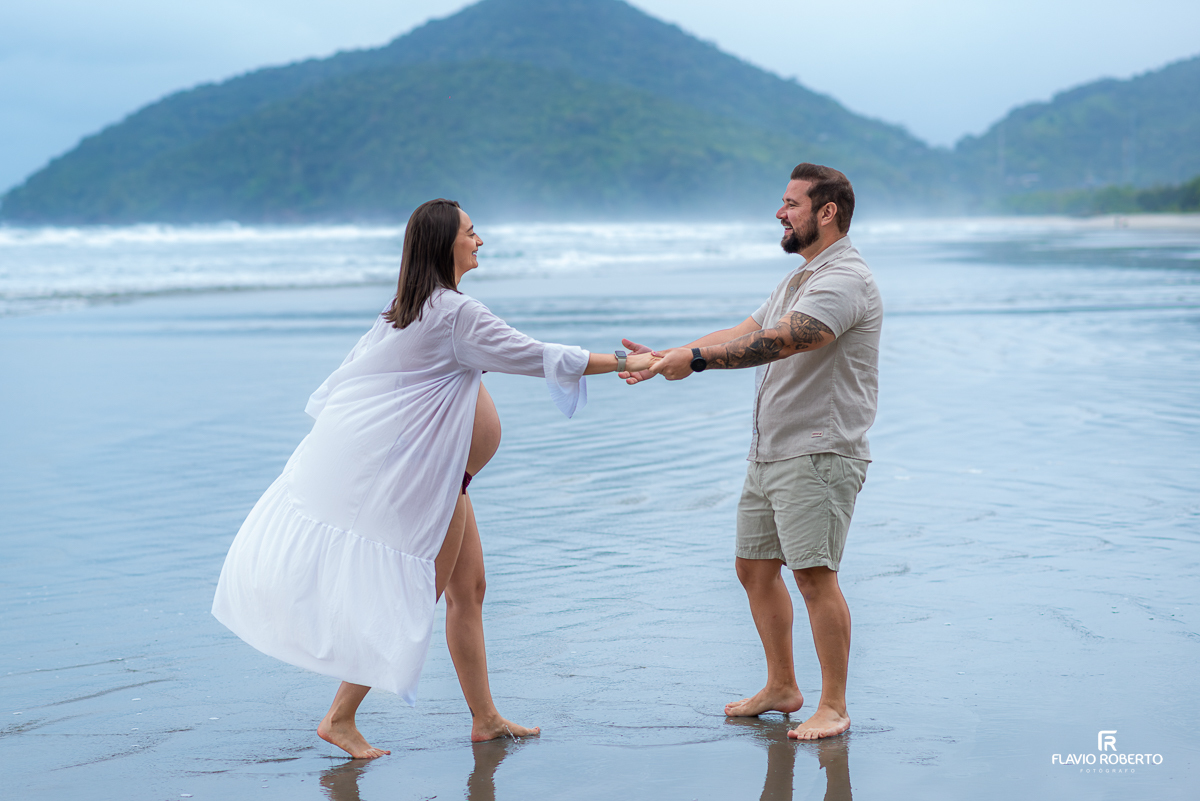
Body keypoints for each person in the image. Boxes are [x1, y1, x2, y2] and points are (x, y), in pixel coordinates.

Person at [212, 198, 656, 759]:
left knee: (468, 593)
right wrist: (628, 362)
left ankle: (486, 718)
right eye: (472, 232)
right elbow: (533, 353)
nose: (480, 240)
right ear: (446, 242)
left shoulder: (408, 307)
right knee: (420, 594)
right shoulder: (453, 314)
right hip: (434, 484)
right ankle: (340, 717)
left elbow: (372, 377)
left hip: (451, 480)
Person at [622, 163, 881, 740]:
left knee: (815, 577)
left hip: (818, 450)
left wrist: (696, 361)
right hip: (771, 451)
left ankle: (833, 706)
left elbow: (786, 340)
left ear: (826, 212)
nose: (780, 213)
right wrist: (671, 353)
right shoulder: (798, 280)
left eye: (791, 203)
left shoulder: (845, 279)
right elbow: (743, 329)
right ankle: (782, 686)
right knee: (754, 570)